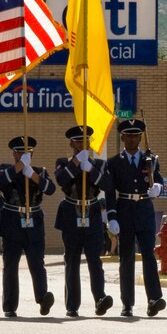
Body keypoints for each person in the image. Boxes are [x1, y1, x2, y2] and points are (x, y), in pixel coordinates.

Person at [105, 119, 166, 317]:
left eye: (136, 135)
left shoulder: (150, 159)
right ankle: (127, 303)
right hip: (125, 210)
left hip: (145, 209)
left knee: (149, 255)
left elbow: (159, 180)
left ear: (141, 137)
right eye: (128, 135)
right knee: (127, 258)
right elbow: (110, 193)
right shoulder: (114, 163)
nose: (132, 139)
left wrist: (158, 188)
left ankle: (154, 299)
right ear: (122, 137)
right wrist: (111, 217)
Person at [54, 126, 116, 317]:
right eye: (78, 141)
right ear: (71, 144)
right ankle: (72, 305)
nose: (83, 144)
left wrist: (90, 169)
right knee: (71, 260)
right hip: (71, 212)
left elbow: (107, 185)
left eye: (86, 141)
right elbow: (61, 180)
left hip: (93, 212)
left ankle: (100, 298)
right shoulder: (63, 162)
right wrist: (75, 164)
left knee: (94, 260)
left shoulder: (99, 164)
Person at [0, 136, 56, 318]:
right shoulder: (6, 169)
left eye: (27, 152)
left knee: (37, 263)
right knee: (11, 264)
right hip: (12, 221)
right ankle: (10, 306)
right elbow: (0, 181)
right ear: (13, 154)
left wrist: (33, 175)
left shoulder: (39, 171)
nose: (23, 155)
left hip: (34, 222)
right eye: (19, 152)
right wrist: (20, 167)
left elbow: (51, 189)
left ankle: (43, 298)